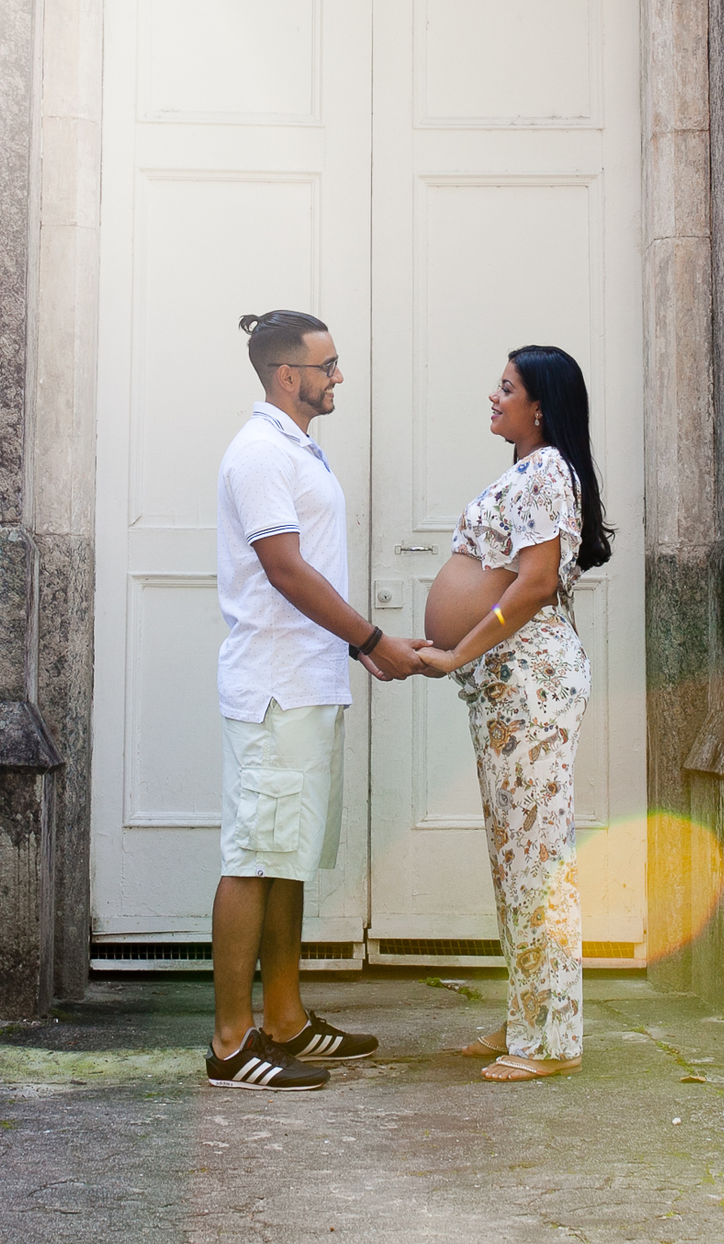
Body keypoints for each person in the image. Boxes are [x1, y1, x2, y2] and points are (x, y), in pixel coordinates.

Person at [206, 308, 428, 1091]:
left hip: (306, 683)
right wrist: (370, 642)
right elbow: (286, 571)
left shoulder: (298, 450)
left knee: (285, 858)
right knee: (252, 857)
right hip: (274, 689)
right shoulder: (260, 453)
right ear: (285, 375)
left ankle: (287, 1021)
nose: (337, 378)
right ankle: (232, 1045)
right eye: (326, 366)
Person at [418, 345, 612, 1082]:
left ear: (541, 404)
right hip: (508, 685)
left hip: (529, 683)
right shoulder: (528, 474)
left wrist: (458, 650)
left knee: (536, 859)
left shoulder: (548, 471)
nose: (493, 398)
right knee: (514, 857)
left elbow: (532, 586)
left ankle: (552, 1040)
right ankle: (528, 1015)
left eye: (507, 389)